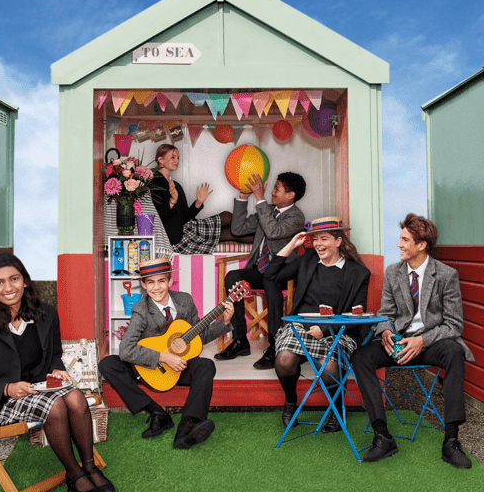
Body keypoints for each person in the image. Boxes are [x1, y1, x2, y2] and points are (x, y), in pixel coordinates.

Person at [0, 253, 114, 492]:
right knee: (56, 406)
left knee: (74, 397)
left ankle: (89, 465)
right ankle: (73, 473)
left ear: (25, 281)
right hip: (0, 401)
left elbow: (53, 354)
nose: (8, 288)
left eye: (14, 279)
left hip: (39, 387)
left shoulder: (45, 314)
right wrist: (7, 388)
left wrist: (57, 369)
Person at [351, 213, 473, 468]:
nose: (399, 244)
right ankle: (382, 435)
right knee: (360, 357)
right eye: (400, 238)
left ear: (422, 245)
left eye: (406, 240)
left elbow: (454, 324)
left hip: (431, 344)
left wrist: (422, 341)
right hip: (398, 341)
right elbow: (385, 314)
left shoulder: (446, 275)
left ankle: (451, 441)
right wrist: (385, 332)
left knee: (455, 353)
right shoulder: (393, 272)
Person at [98, 257, 235, 449]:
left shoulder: (185, 301)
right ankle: (157, 413)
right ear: (143, 285)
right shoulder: (141, 309)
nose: (156, 287)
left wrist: (225, 323)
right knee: (107, 364)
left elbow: (199, 336)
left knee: (206, 365)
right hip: (152, 370)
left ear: (170, 281)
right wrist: (163, 357)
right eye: (151, 282)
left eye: (161, 281)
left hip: (180, 367)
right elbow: (126, 349)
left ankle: (188, 426)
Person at [265, 218, 371, 428]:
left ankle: (337, 407)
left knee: (329, 366)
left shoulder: (358, 273)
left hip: (338, 331)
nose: (318, 244)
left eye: (324, 239)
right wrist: (291, 246)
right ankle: (291, 402)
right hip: (299, 326)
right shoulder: (307, 260)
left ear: (338, 241)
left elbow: (356, 315)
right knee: (284, 359)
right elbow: (271, 276)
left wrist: (325, 329)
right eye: (315, 239)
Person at [215, 171, 306, 369]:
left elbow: (273, 232)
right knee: (233, 277)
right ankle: (240, 341)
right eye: (273, 188)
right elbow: (238, 229)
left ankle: (275, 345)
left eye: (277, 189)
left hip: (284, 272)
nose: (272, 192)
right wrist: (243, 197)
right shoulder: (268, 210)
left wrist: (260, 198)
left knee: (269, 280)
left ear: (290, 195)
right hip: (262, 269)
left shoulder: (296, 217)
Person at [150, 143, 234, 254]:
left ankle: (261, 234)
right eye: (173, 157)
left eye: (178, 158)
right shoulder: (153, 184)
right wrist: (172, 201)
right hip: (176, 238)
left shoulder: (176, 185)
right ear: (160, 159)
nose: (177, 161)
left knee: (228, 222)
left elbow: (185, 217)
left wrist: (198, 202)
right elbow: (158, 219)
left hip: (185, 228)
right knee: (227, 221)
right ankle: (261, 231)